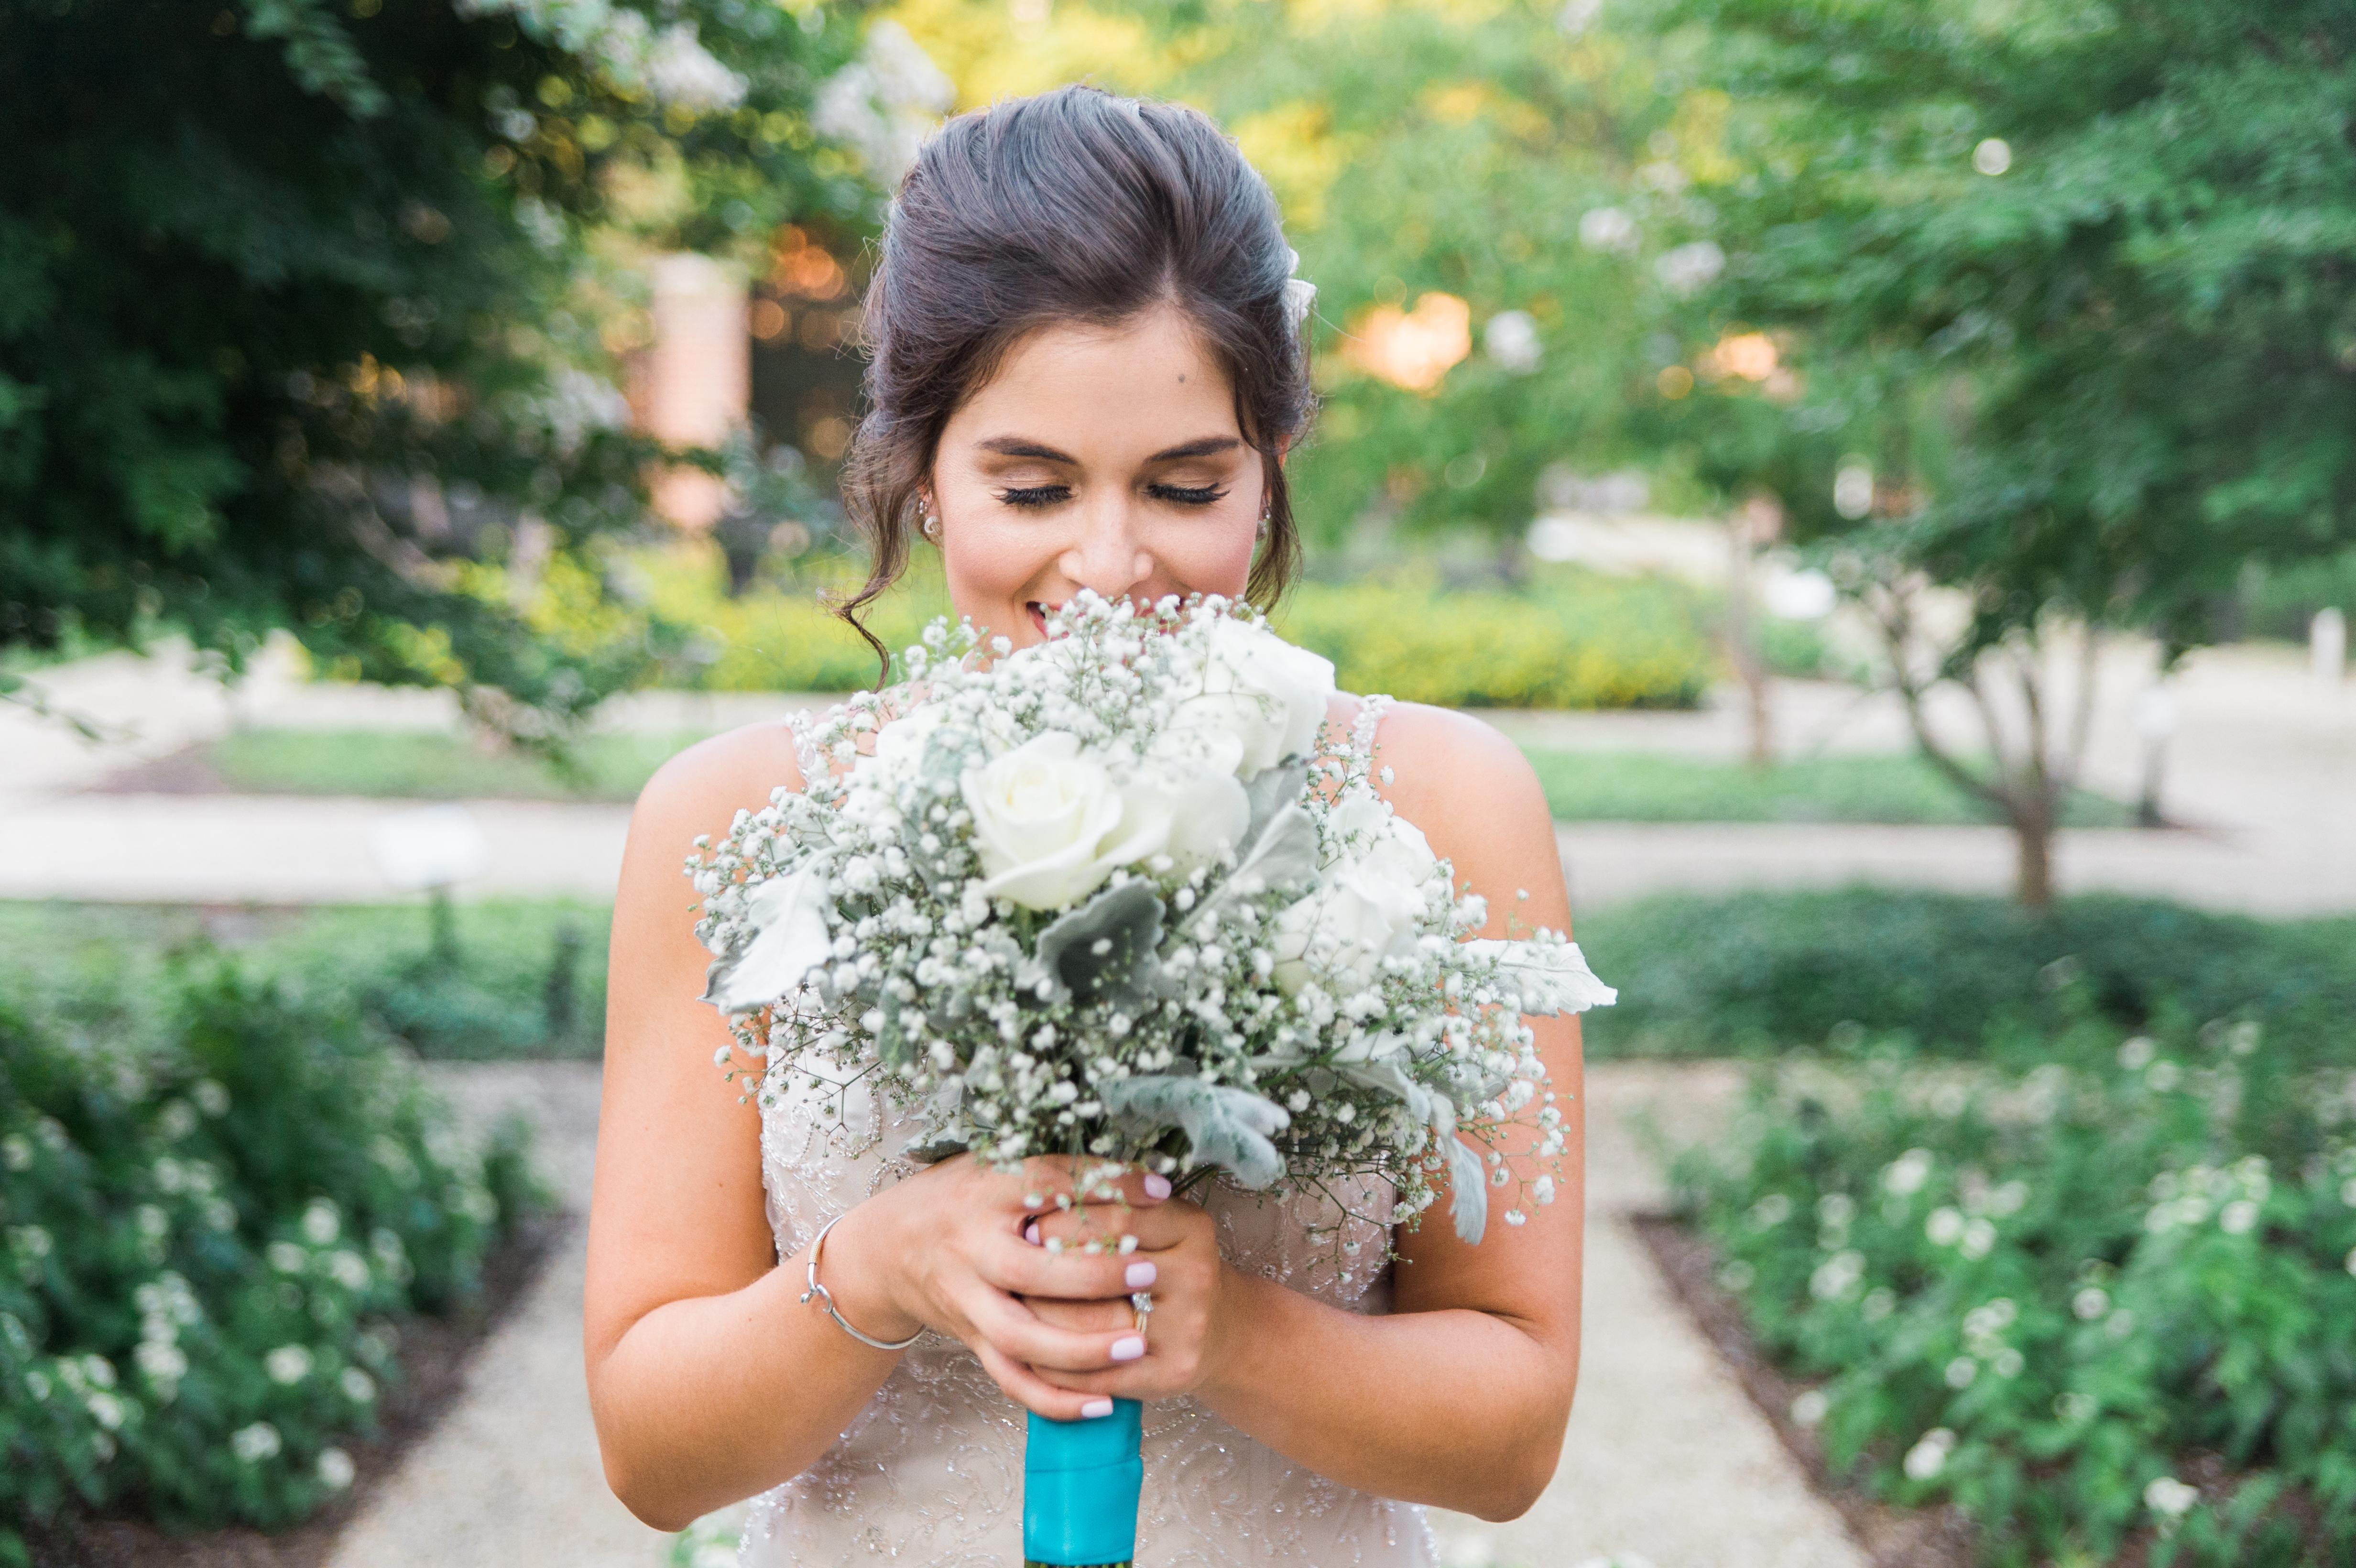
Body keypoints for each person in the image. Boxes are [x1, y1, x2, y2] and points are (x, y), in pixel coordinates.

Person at [584, 83, 1584, 1566]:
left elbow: (1511, 1437)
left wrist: (1227, 1329)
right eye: (1032, 485)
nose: (1110, 564)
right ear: (923, 473)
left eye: (1187, 486)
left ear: (1272, 465)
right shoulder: (732, 822)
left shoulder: (1444, 808)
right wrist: (880, 1269)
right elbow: (654, 1454)